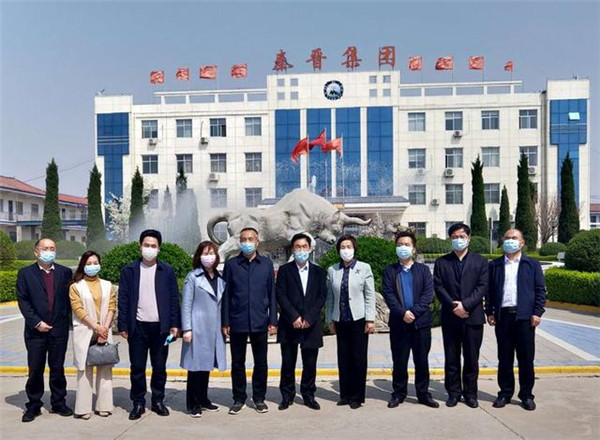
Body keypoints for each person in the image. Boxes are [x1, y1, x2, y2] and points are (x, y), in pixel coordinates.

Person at [118, 229, 181, 420]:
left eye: (153, 246)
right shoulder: (129, 270)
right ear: (140, 246)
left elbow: (173, 299)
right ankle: (138, 403)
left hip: (161, 328)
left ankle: (158, 400)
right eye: (146, 245)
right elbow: (123, 299)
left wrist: (175, 324)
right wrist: (123, 325)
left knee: (159, 367)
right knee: (137, 367)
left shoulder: (166, 270)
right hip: (137, 327)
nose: (150, 249)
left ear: (159, 248)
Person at [486, 228, 546, 411]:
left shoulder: (532, 265)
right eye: (507, 238)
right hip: (503, 317)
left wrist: (537, 313)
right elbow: (489, 291)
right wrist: (489, 311)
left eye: (514, 238)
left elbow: (540, 291)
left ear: (522, 243)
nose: (510, 241)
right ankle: (505, 393)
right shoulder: (495, 265)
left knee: (526, 359)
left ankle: (526, 395)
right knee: (504, 358)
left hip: (525, 318)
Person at [17, 238, 74, 422]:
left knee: (57, 368)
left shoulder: (65, 272)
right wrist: (36, 322)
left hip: (59, 330)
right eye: (45, 248)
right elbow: (23, 301)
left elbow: (70, 300)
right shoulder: (25, 274)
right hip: (35, 332)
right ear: (36, 252)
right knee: (35, 369)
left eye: (52, 248)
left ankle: (58, 402)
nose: (49, 251)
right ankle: (33, 405)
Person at [221, 227, 277, 415]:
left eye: (250, 239)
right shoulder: (232, 265)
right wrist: (225, 321)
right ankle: (239, 398)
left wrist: (273, 320)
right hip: (237, 321)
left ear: (257, 241)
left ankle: (259, 398)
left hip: (260, 321)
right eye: (244, 239)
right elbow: (226, 295)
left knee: (261, 362)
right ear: (240, 242)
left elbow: (272, 293)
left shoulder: (266, 265)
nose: (247, 242)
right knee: (238, 363)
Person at [382, 230, 439, 409]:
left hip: (420, 324)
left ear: (414, 249)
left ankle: (423, 393)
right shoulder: (390, 271)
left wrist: (413, 312)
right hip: (399, 323)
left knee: (421, 360)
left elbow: (428, 294)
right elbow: (388, 295)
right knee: (399, 361)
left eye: (407, 245)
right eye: (400, 245)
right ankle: (398, 393)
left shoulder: (423, 270)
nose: (403, 248)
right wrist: (402, 313)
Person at [433, 223, 488, 408]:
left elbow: (482, 287)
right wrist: (454, 306)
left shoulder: (480, 261)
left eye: (461, 236)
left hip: (473, 317)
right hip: (450, 317)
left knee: (472, 358)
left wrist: (465, 305)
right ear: (450, 239)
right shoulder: (442, 262)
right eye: (454, 237)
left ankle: (470, 393)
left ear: (468, 238)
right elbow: (439, 287)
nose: (458, 240)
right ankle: (453, 393)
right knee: (451, 357)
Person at [276, 233, 328, 411]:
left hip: (311, 325)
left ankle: (308, 395)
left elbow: (321, 297)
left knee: (310, 363)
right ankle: (287, 396)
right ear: (292, 249)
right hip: (290, 323)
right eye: (297, 247)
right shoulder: (284, 271)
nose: (301, 250)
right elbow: (281, 295)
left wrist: (309, 318)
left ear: (310, 249)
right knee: (288, 363)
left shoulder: (319, 272)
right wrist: (294, 317)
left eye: (304, 247)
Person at [326, 234, 376, 409]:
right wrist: (329, 319)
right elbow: (330, 297)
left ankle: (357, 396)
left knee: (358, 358)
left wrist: (370, 319)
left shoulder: (364, 268)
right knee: (343, 358)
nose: (346, 250)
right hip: (340, 319)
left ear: (354, 249)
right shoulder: (333, 270)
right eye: (342, 247)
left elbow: (369, 295)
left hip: (358, 319)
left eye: (349, 247)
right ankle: (345, 395)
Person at [180, 241, 226, 418]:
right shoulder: (193, 277)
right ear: (199, 256)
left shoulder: (220, 278)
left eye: (212, 253)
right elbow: (186, 304)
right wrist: (187, 329)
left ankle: (204, 399)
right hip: (197, 327)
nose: (209, 257)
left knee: (206, 366)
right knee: (195, 367)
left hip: (213, 328)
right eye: (205, 253)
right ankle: (193, 404)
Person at [69, 251, 117, 419]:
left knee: (105, 368)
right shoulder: (76, 287)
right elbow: (78, 309)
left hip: (104, 330)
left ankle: (104, 405)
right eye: (89, 263)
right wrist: (96, 327)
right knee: (84, 370)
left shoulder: (107, 285)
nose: (92, 266)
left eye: (95, 263)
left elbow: (112, 306)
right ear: (83, 265)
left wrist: (105, 328)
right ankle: (83, 408)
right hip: (85, 330)